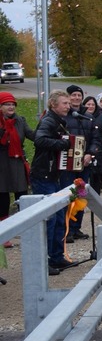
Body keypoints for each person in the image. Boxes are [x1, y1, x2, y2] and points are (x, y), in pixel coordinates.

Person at [31, 91, 78, 272]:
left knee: (59, 217)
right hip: (43, 175)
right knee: (49, 219)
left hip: (52, 175)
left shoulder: (58, 121)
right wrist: (63, 145)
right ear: (53, 104)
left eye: (68, 103)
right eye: (64, 103)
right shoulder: (49, 121)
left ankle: (56, 257)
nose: (68, 106)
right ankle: (45, 262)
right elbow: (39, 140)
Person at [65, 85, 99, 241]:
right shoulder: (64, 116)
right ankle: (67, 228)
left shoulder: (88, 117)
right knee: (69, 194)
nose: (76, 98)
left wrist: (90, 153)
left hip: (84, 162)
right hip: (68, 163)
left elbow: (96, 139)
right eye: (73, 95)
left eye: (79, 95)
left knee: (81, 194)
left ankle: (76, 227)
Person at [0, 92, 34, 248]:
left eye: (13, 104)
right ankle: (4, 233)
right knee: (2, 197)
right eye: (7, 104)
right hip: (2, 163)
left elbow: (32, 135)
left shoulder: (20, 121)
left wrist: (44, 131)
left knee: (22, 195)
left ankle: (24, 229)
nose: (11, 107)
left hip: (17, 162)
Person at [82, 96, 102, 194]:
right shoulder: (81, 117)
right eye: (88, 104)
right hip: (86, 150)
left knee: (98, 177)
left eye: (93, 104)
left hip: (100, 151)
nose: (91, 106)